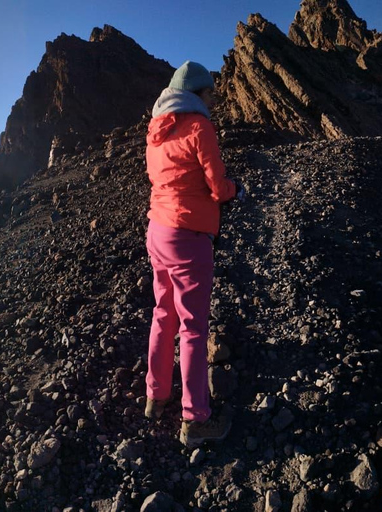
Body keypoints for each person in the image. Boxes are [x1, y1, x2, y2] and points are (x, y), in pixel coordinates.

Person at [143, 60, 245, 448]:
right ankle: (195, 418)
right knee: (193, 328)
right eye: (211, 93)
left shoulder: (155, 132)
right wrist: (237, 189)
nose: (214, 100)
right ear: (198, 93)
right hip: (188, 236)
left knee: (162, 313)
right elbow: (217, 187)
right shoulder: (200, 127)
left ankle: (156, 396)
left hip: (158, 231)